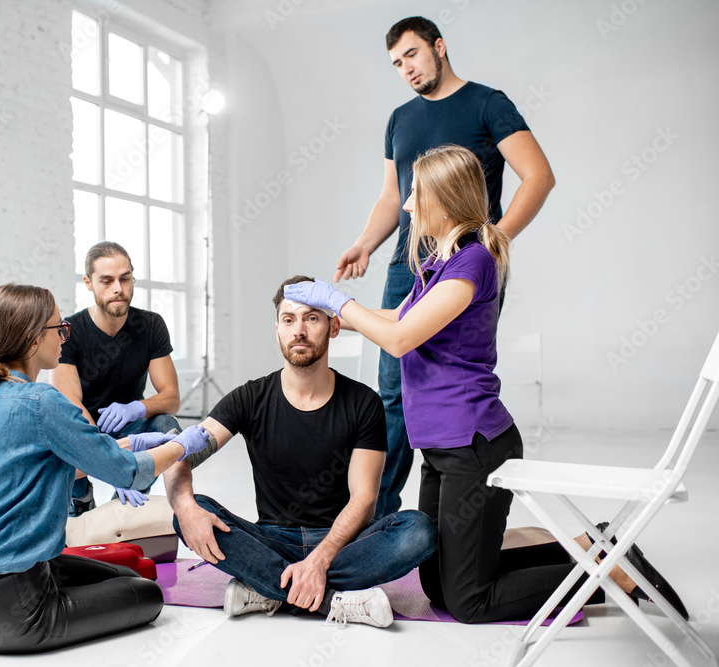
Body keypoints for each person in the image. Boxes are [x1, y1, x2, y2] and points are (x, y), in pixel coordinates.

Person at [286, 145, 687, 623]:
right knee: (436, 587)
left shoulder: (473, 262)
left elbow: (397, 339)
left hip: (474, 446)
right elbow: (399, 317)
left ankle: (604, 573)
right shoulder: (438, 263)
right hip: (440, 447)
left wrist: (337, 299)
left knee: (469, 602)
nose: (408, 206)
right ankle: (589, 550)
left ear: (444, 198)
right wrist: (335, 318)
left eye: (415, 194)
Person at [334, 16, 556, 519]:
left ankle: (457, 494)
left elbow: (538, 176)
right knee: (393, 391)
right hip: (406, 264)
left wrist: (494, 241)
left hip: (462, 261)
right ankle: (378, 516)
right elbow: (394, 198)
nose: (405, 68)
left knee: (451, 374)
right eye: (395, 63)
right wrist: (365, 243)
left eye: (411, 54)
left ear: (439, 47)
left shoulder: (487, 104)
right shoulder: (399, 119)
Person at [0, 283, 209, 654]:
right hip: (18, 612)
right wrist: (181, 445)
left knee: (130, 571)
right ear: (32, 339)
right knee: (147, 592)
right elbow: (126, 473)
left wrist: (134, 444)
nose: (65, 338)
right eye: (59, 329)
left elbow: (65, 465)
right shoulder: (41, 401)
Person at [164, 276, 436, 628]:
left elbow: (365, 500)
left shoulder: (363, 402)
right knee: (190, 511)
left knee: (419, 530)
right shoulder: (250, 397)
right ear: (277, 330)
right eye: (289, 320)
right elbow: (180, 454)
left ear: (334, 326)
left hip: (343, 542)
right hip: (271, 538)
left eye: (312, 318)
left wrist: (320, 560)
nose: (299, 330)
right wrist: (184, 505)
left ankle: (269, 587)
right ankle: (335, 599)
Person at [51, 241, 181, 514]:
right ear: (88, 283)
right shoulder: (69, 331)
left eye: (125, 279)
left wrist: (137, 407)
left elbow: (171, 398)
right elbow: (70, 403)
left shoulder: (150, 325)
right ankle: (81, 495)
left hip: (129, 427)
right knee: (64, 431)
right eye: (106, 281)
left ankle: (123, 504)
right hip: (83, 432)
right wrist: (109, 462)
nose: (118, 289)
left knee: (166, 424)